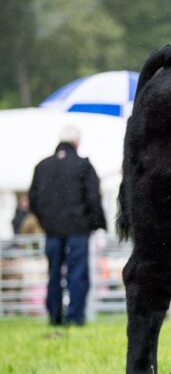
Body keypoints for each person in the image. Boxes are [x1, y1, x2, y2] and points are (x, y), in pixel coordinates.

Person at [28, 125, 106, 326]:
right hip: (78, 231)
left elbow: (33, 200)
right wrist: (96, 223)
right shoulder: (83, 166)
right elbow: (93, 198)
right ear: (77, 142)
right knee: (77, 273)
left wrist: (46, 222)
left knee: (53, 273)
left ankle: (55, 316)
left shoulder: (42, 166)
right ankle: (75, 318)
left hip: (52, 231)